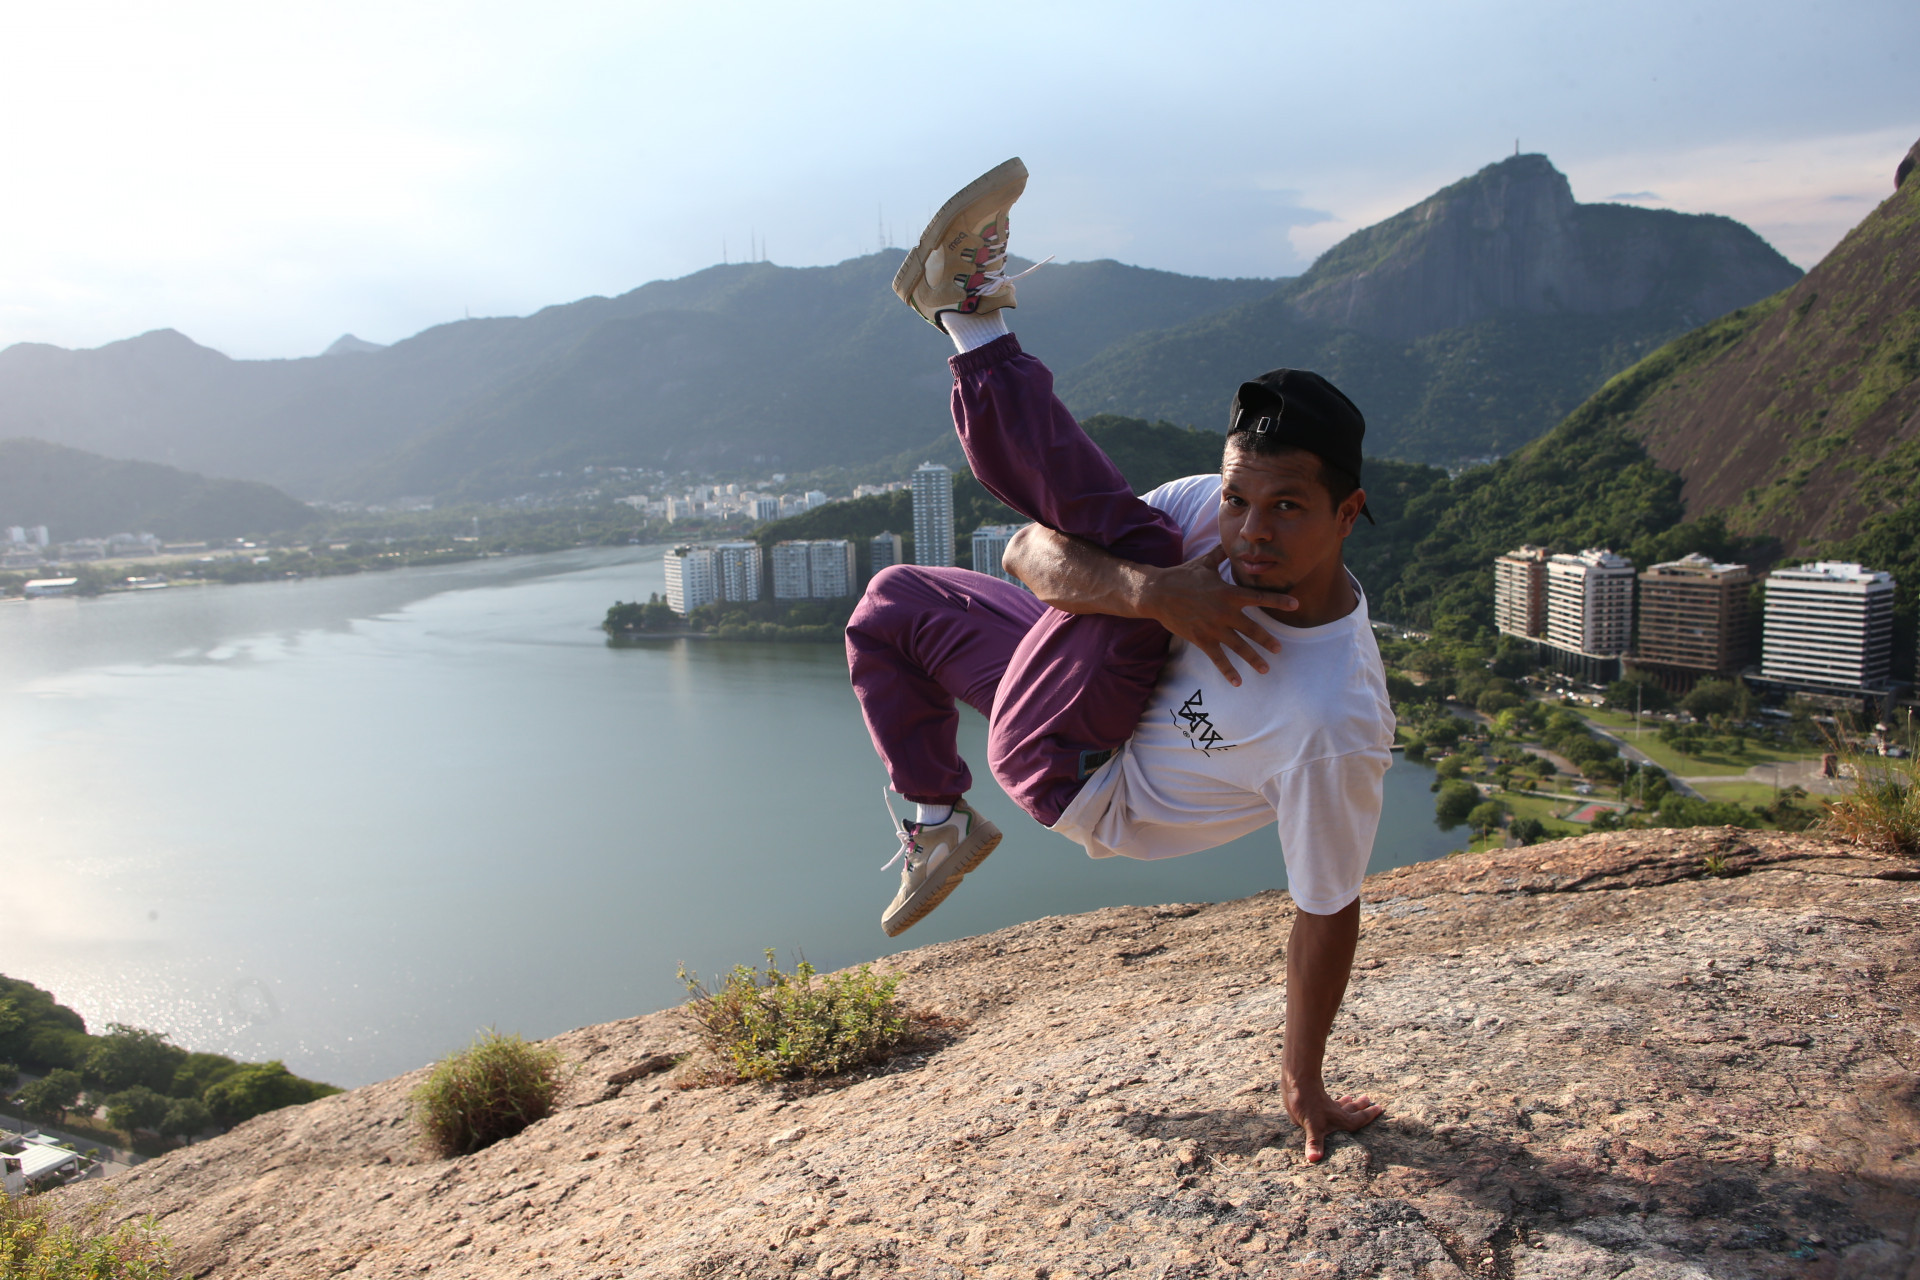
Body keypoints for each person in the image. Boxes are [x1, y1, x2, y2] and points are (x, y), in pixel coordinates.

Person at [844, 158, 1393, 1160]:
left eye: (1287, 508)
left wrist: (1301, 1082)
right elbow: (1025, 552)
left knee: (1132, 545)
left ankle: (971, 321)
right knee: (889, 610)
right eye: (1237, 497)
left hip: (1089, 775)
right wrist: (1155, 596)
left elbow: (1326, 911)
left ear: (1349, 512)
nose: (1247, 530)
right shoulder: (1196, 522)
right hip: (1083, 687)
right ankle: (934, 824)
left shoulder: (1333, 716)